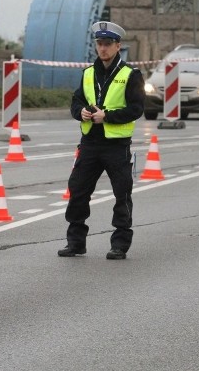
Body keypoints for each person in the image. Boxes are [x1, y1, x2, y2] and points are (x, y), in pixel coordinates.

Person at [57, 21, 145, 260]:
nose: (103, 48)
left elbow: (137, 109)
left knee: (122, 193)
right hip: (90, 143)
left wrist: (107, 116)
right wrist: (82, 112)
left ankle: (120, 243)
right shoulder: (87, 73)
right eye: (99, 43)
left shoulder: (131, 75)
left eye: (108, 44)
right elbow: (76, 102)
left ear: (118, 46)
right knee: (78, 191)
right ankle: (75, 242)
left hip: (116, 145)